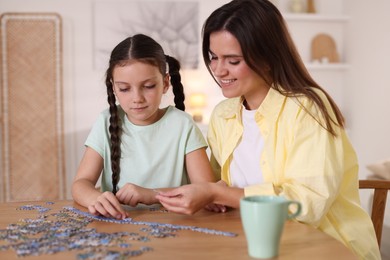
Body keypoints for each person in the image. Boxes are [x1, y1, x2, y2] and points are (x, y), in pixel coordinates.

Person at [155, 0, 381, 259]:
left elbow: (306, 205)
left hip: (324, 246)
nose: (218, 70)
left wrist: (218, 192)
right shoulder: (223, 115)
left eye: (233, 60)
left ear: (267, 57)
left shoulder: (308, 109)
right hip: (249, 242)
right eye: (214, 57)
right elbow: (215, 187)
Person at [72, 34, 215, 220]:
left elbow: (206, 191)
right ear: (113, 87)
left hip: (176, 228)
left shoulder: (183, 124)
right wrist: (96, 198)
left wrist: (151, 194)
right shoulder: (105, 121)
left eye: (148, 86)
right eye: (124, 88)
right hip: (118, 227)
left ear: (165, 83)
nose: (137, 98)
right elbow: (80, 184)